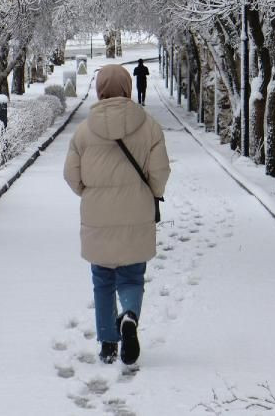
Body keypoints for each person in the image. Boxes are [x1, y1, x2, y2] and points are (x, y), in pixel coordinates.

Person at [63, 64, 170, 366]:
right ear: (128, 88)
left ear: (99, 90)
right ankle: (130, 316)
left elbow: (71, 175)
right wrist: (151, 192)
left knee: (102, 281)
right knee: (132, 276)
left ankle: (108, 343)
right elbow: (160, 171)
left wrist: (89, 192)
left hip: (97, 216)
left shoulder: (84, 131)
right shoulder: (149, 126)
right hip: (136, 212)